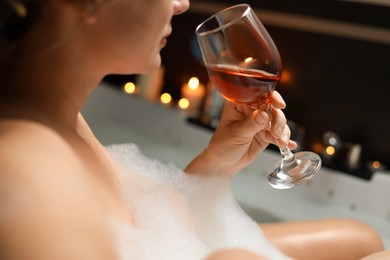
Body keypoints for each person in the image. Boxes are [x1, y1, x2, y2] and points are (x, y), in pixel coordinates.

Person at [0, 0, 388, 259]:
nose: (181, 3)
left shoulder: (57, 114)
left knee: (363, 237)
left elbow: (144, 229)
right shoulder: (22, 164)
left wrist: (215, 166)